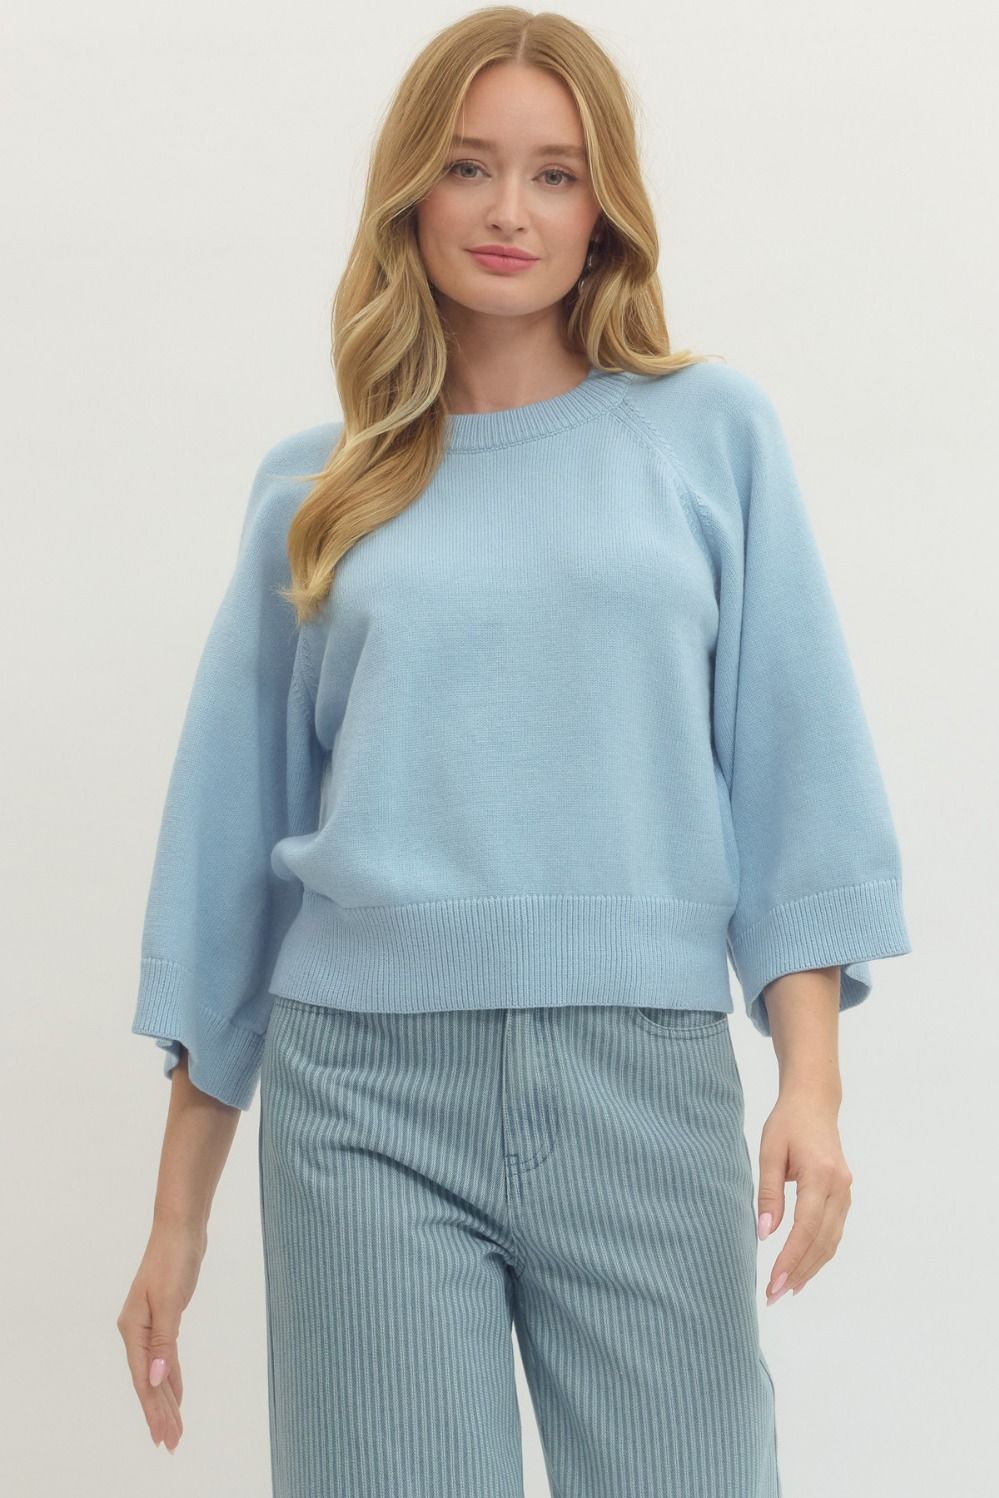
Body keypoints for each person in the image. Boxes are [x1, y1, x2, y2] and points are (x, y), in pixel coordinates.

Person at [116, 9, 912, 1496]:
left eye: (555, 174)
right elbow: (226, 866)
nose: (507, 210)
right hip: (361, 1104)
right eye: (468, 166)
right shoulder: (316, 492)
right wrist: (177, 1221)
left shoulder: (709, 434)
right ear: (410, 191)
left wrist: (813, 1086)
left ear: (605, 207)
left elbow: (792, 777)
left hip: (644, 1087)